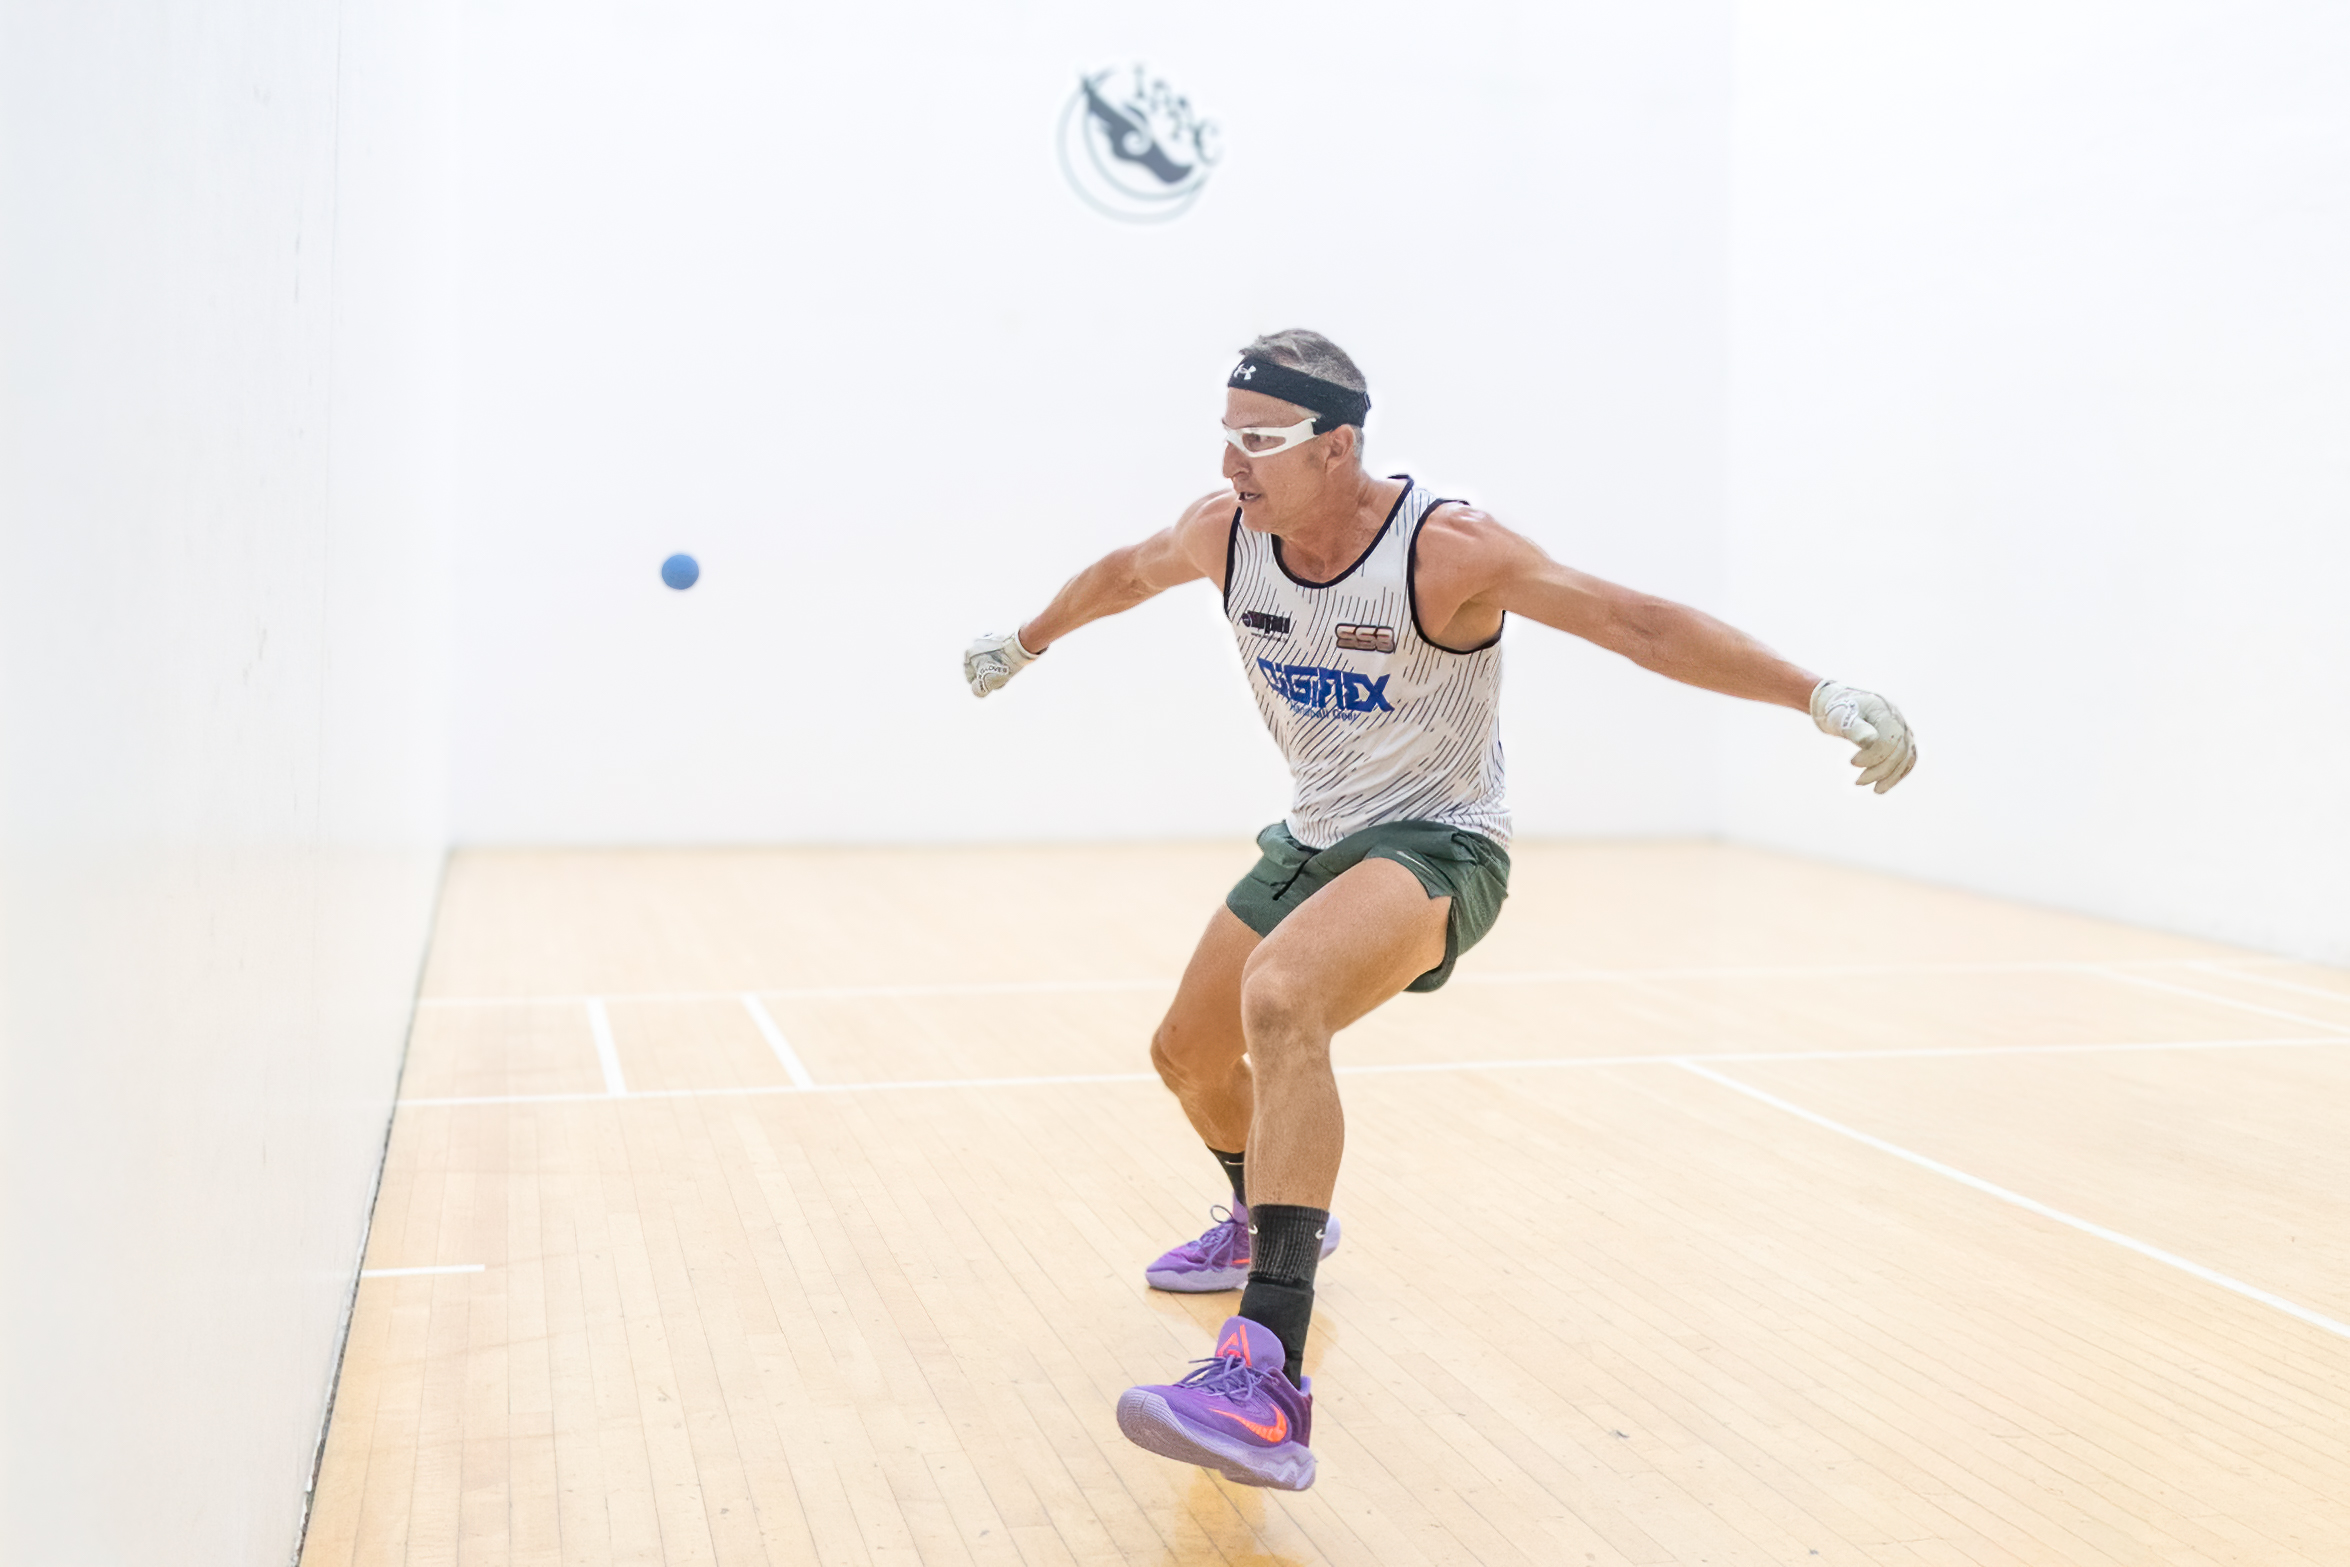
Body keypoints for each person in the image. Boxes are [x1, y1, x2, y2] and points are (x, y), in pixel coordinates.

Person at [961, 329, 1916, 1491]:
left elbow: (1636, 623)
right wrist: (1023, 641)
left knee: (1282, 997)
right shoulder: (1225, 532)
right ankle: (1265, 1213)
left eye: (1260, 440)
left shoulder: (1444, 551)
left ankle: (1266, 1375)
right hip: (1314, 835)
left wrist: (1821, 694)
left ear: (1338, 445)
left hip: (1441, 840)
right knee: (1186, 1055)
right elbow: (1124, 573)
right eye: (1226, 436)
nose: (1230, 462)